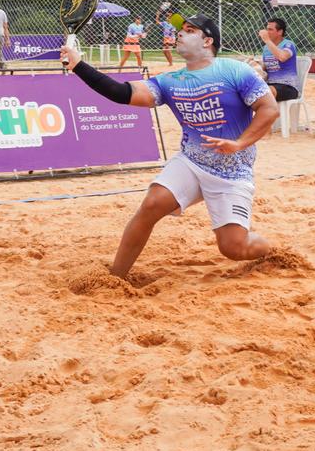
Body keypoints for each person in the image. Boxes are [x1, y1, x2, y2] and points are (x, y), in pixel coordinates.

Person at [60, 14, 278, 278]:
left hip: (232, 172)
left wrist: (239, 143)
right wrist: (79, 65)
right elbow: (121, 93)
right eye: (180, 30)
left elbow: (269, 109)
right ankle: (115, 278)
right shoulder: (169, 81)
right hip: (191, 162)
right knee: (152, 203)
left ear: (207, 40)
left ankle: (273, 251)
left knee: (233, 248)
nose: (180, 33)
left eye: (189, 30)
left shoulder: (235, 71)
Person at [259, 17, 299, 101]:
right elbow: (265, 67)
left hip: (288, 86)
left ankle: (268, 113)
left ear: (280, 32)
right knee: (248, 90)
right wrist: (256, 65)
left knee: (265, 92)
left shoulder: (288, 44)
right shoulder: (266, 47)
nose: (267, 32)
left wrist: (267, 40)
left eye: (270, 29)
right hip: (270, 84)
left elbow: (282, 57)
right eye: (267, 29)